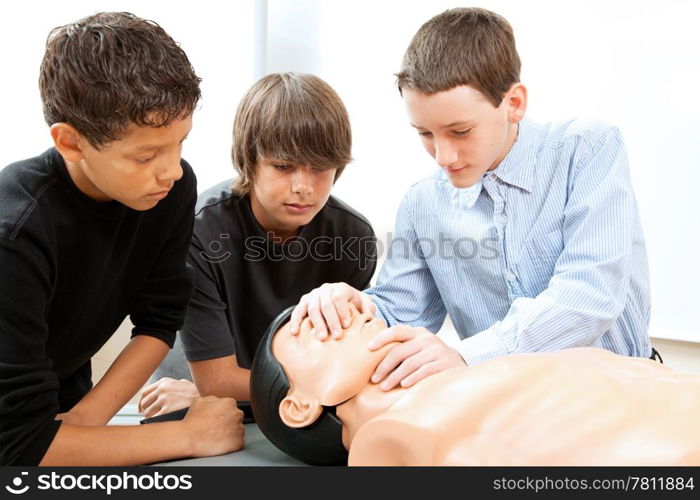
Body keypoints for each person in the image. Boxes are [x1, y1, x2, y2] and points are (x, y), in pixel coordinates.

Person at [288, 7, 652, 393]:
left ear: (514, 103)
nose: (443, 156)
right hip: (502, 407)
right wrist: (356, 306)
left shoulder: (587, 150)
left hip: (619, 398)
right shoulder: (424, 202)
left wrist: (464, 356)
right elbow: (401, 311)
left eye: (460, 131)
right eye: (425, 133)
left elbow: (590, 294)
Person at [0, 12, 243, 466]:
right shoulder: (15, 233)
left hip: (57, 404)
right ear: (70, 143)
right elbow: (15, 447)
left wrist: (87, 418)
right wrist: (192, 437)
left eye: (180, 144)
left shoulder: (168, 189)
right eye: (146, 155)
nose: (172, 170)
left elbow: (159, 318)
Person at [138, 72, 376, 418]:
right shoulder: (199, 232)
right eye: (283, 166)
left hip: (295, 411)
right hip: (187, 401)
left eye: (321, 168)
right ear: (249, 160)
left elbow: (348, 365)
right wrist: (213, 394)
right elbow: (217, 381)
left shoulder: (353, 237)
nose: (303, 187)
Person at [251, 305, 700, 466]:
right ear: (298, 406)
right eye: (316, 328)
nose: (347, 315)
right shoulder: (395, 443)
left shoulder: (458, 380)